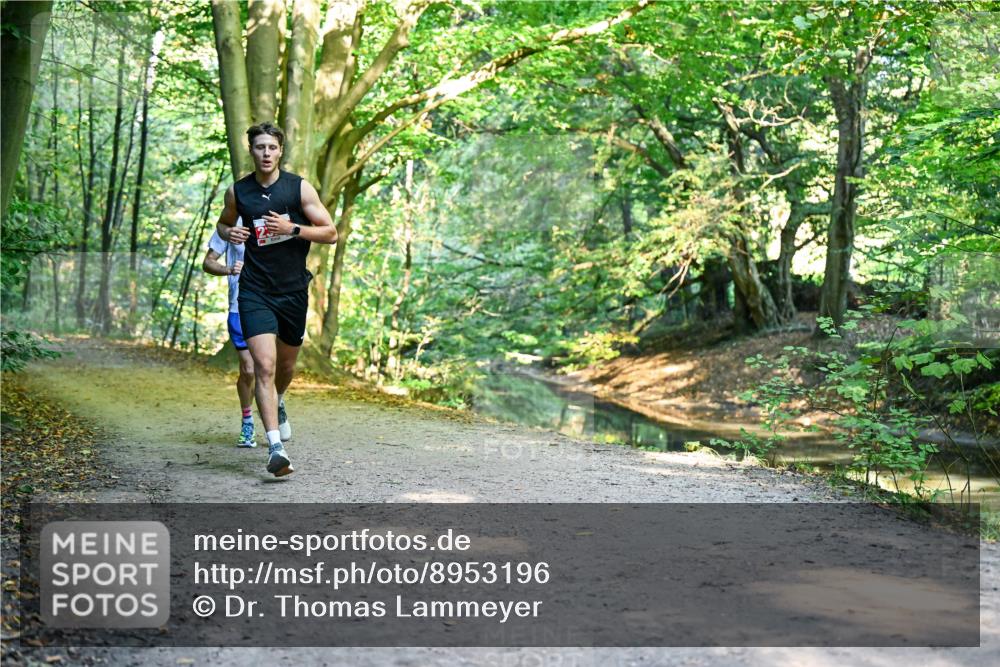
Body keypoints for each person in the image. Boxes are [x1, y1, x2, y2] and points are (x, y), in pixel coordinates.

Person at [215, 122, 338, 477]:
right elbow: (223, 225)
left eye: (271, 147)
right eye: (259, 147)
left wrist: (293, 229)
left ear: (280, 151)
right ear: (250, 151)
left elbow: (330, 233)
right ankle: (275, 449)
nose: (265, 153)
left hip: (292, 291)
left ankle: (280, 401)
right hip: (254, 290)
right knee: (263, 367)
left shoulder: (298, 188)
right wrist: (231, 231)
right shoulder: (239, 192)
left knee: (284, 369)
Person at [202, 217, 257, 448]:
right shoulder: (232, 224)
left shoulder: (276, 219)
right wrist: (229, 269)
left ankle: (277, 403)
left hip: (273, 305)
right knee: (249, 369)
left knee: (272, 368)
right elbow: (208, 262)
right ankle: (248, 421)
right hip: (239, 306)